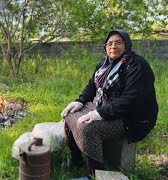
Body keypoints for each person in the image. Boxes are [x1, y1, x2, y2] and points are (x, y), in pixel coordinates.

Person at [60, 29, 158, 177]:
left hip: (128, 116)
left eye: (118, 43)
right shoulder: (104, 64)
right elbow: (91, 87)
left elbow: (131, 99)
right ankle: (77, 161)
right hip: (104, 106)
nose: (113, 47)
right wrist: (79, 101)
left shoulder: (137, 65)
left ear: (127, 45)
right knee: (70, 115)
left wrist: (99, 113)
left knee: (87, 129)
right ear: (105, 47)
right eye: (110, 43)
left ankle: (95, 173)